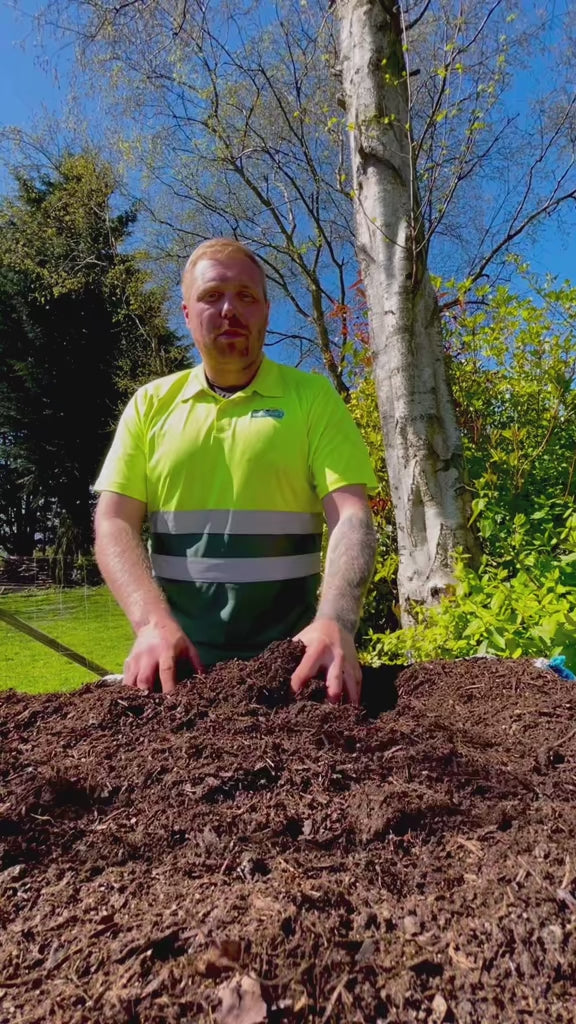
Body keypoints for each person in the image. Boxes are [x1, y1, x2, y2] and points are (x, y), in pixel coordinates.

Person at [93, 239, 378, 703]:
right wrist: (150, 624)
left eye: (246, 296)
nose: (230, 309)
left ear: (266, 311)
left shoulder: (312, 399)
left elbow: (352, 515)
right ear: (187, 314)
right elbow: (113, 521)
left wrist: (336, 622)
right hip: (179, 675)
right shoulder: (149, 406)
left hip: (297, 674)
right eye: (212, 296)